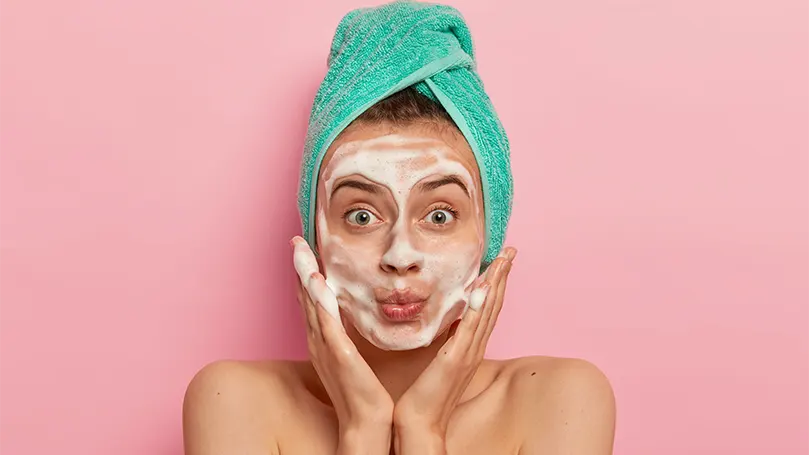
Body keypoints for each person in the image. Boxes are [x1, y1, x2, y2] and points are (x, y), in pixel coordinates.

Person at [183, 3, 615, 454]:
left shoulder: (560, 400)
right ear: (314, 237)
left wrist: (422, 430)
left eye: (440, 215)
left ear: (490, 233)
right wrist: (363, 429)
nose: (400, 255)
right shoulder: (233, 401)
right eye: (362, 215)